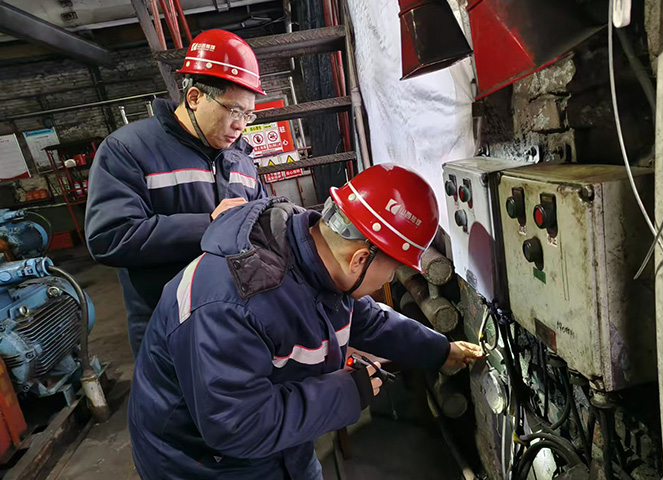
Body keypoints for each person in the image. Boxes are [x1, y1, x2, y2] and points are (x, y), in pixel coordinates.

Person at [128, 163, 484, 479]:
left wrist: (441, 350)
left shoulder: (312, 250)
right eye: (392, 271)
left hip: (277, 442)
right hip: (201, 463)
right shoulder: (231, 305)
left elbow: (367, 321)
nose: (390, 280)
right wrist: (349, 391)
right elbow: (237, 426)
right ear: (360, 260)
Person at [85, 30, 267, 357]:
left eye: (248, 114)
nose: (241, 125)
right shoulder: (128, 150)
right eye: (233, 111)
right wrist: (209, 225)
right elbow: (108, 237)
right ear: (195, 97)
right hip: (170, 329)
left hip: (238, 322)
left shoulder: (240, 158)